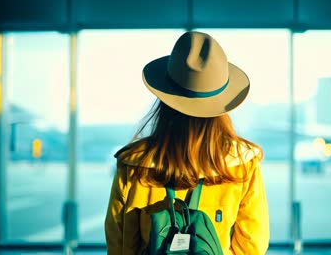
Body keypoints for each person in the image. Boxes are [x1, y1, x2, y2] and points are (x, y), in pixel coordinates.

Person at [105, 31, 269, 254]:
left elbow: (121, 247)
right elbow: (252, 247)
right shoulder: (243, 163)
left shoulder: (133, 164)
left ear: (165, 98)